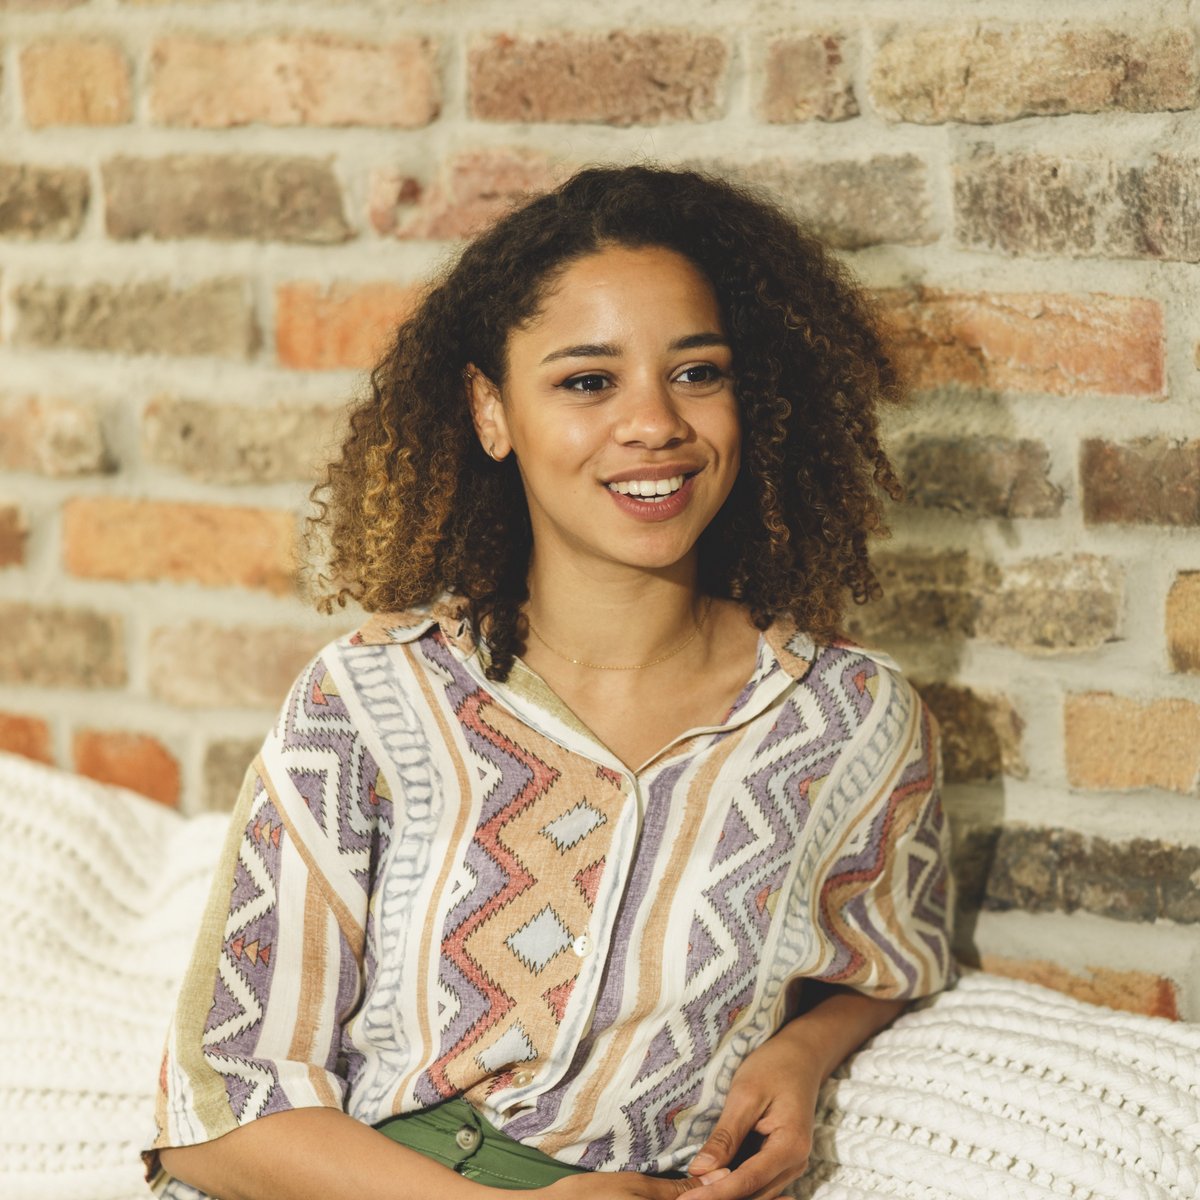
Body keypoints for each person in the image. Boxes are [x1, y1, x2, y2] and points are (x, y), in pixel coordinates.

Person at [145, 164, 955, 1200]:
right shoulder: (372, 700)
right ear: (492, 411)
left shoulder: (852, 721)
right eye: (587, 382)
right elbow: (212, 1119)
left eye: (697, 373)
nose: (654, 423)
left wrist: (801, 1053)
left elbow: (892, 957)